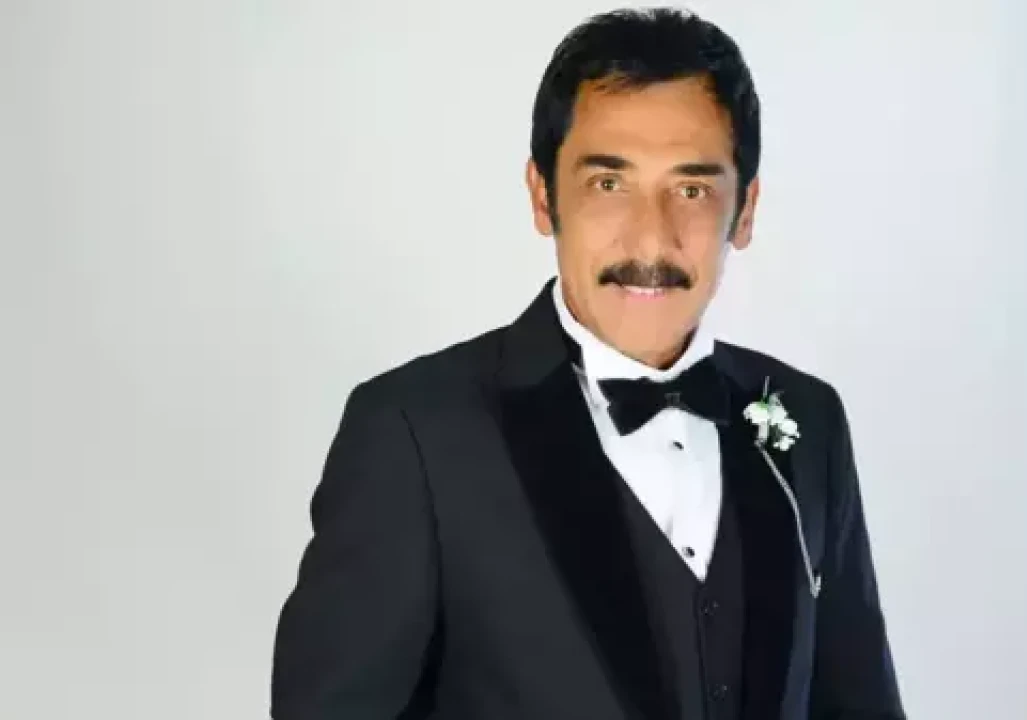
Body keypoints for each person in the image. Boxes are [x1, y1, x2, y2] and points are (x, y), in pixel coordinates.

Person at [270, 7, 905, 719]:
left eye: (691, 189)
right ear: (543, 195)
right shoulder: (414, 434)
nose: (651, 240)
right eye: (609, 184)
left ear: (745, 210)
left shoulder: (808, 420)